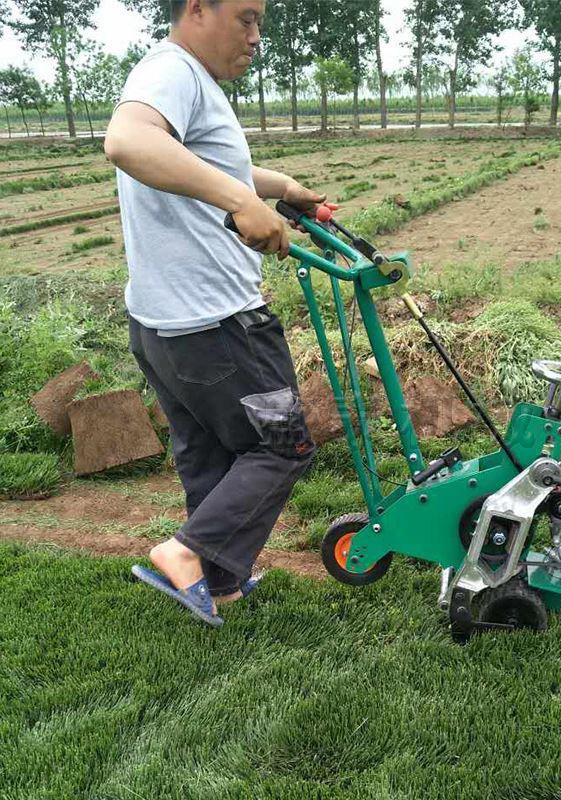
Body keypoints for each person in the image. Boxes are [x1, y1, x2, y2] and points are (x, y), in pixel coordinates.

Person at [104, 0, 323, 627]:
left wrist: (280, 189)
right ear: (197, 8)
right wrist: (239, 202)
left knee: (207, 450)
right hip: (219, 326)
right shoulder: (171, 70)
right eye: (246, 19)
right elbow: (126, 141)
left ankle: (218, 579)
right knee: (284, 447)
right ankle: (184, 551)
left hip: (163, 329)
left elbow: (215, 163)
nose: (257, 36)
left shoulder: (189, 82)